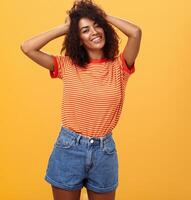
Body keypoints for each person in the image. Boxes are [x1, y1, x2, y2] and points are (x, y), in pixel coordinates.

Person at [20, 0, 142, 199]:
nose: (94, 32)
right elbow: (27, 47)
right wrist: (66, 27)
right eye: (85, 30)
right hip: (69, 148)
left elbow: (135, 32)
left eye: (96, 26)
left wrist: (102, 16)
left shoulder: (120, 66)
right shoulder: (67, 65)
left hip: (104, 152)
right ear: (78, 39)